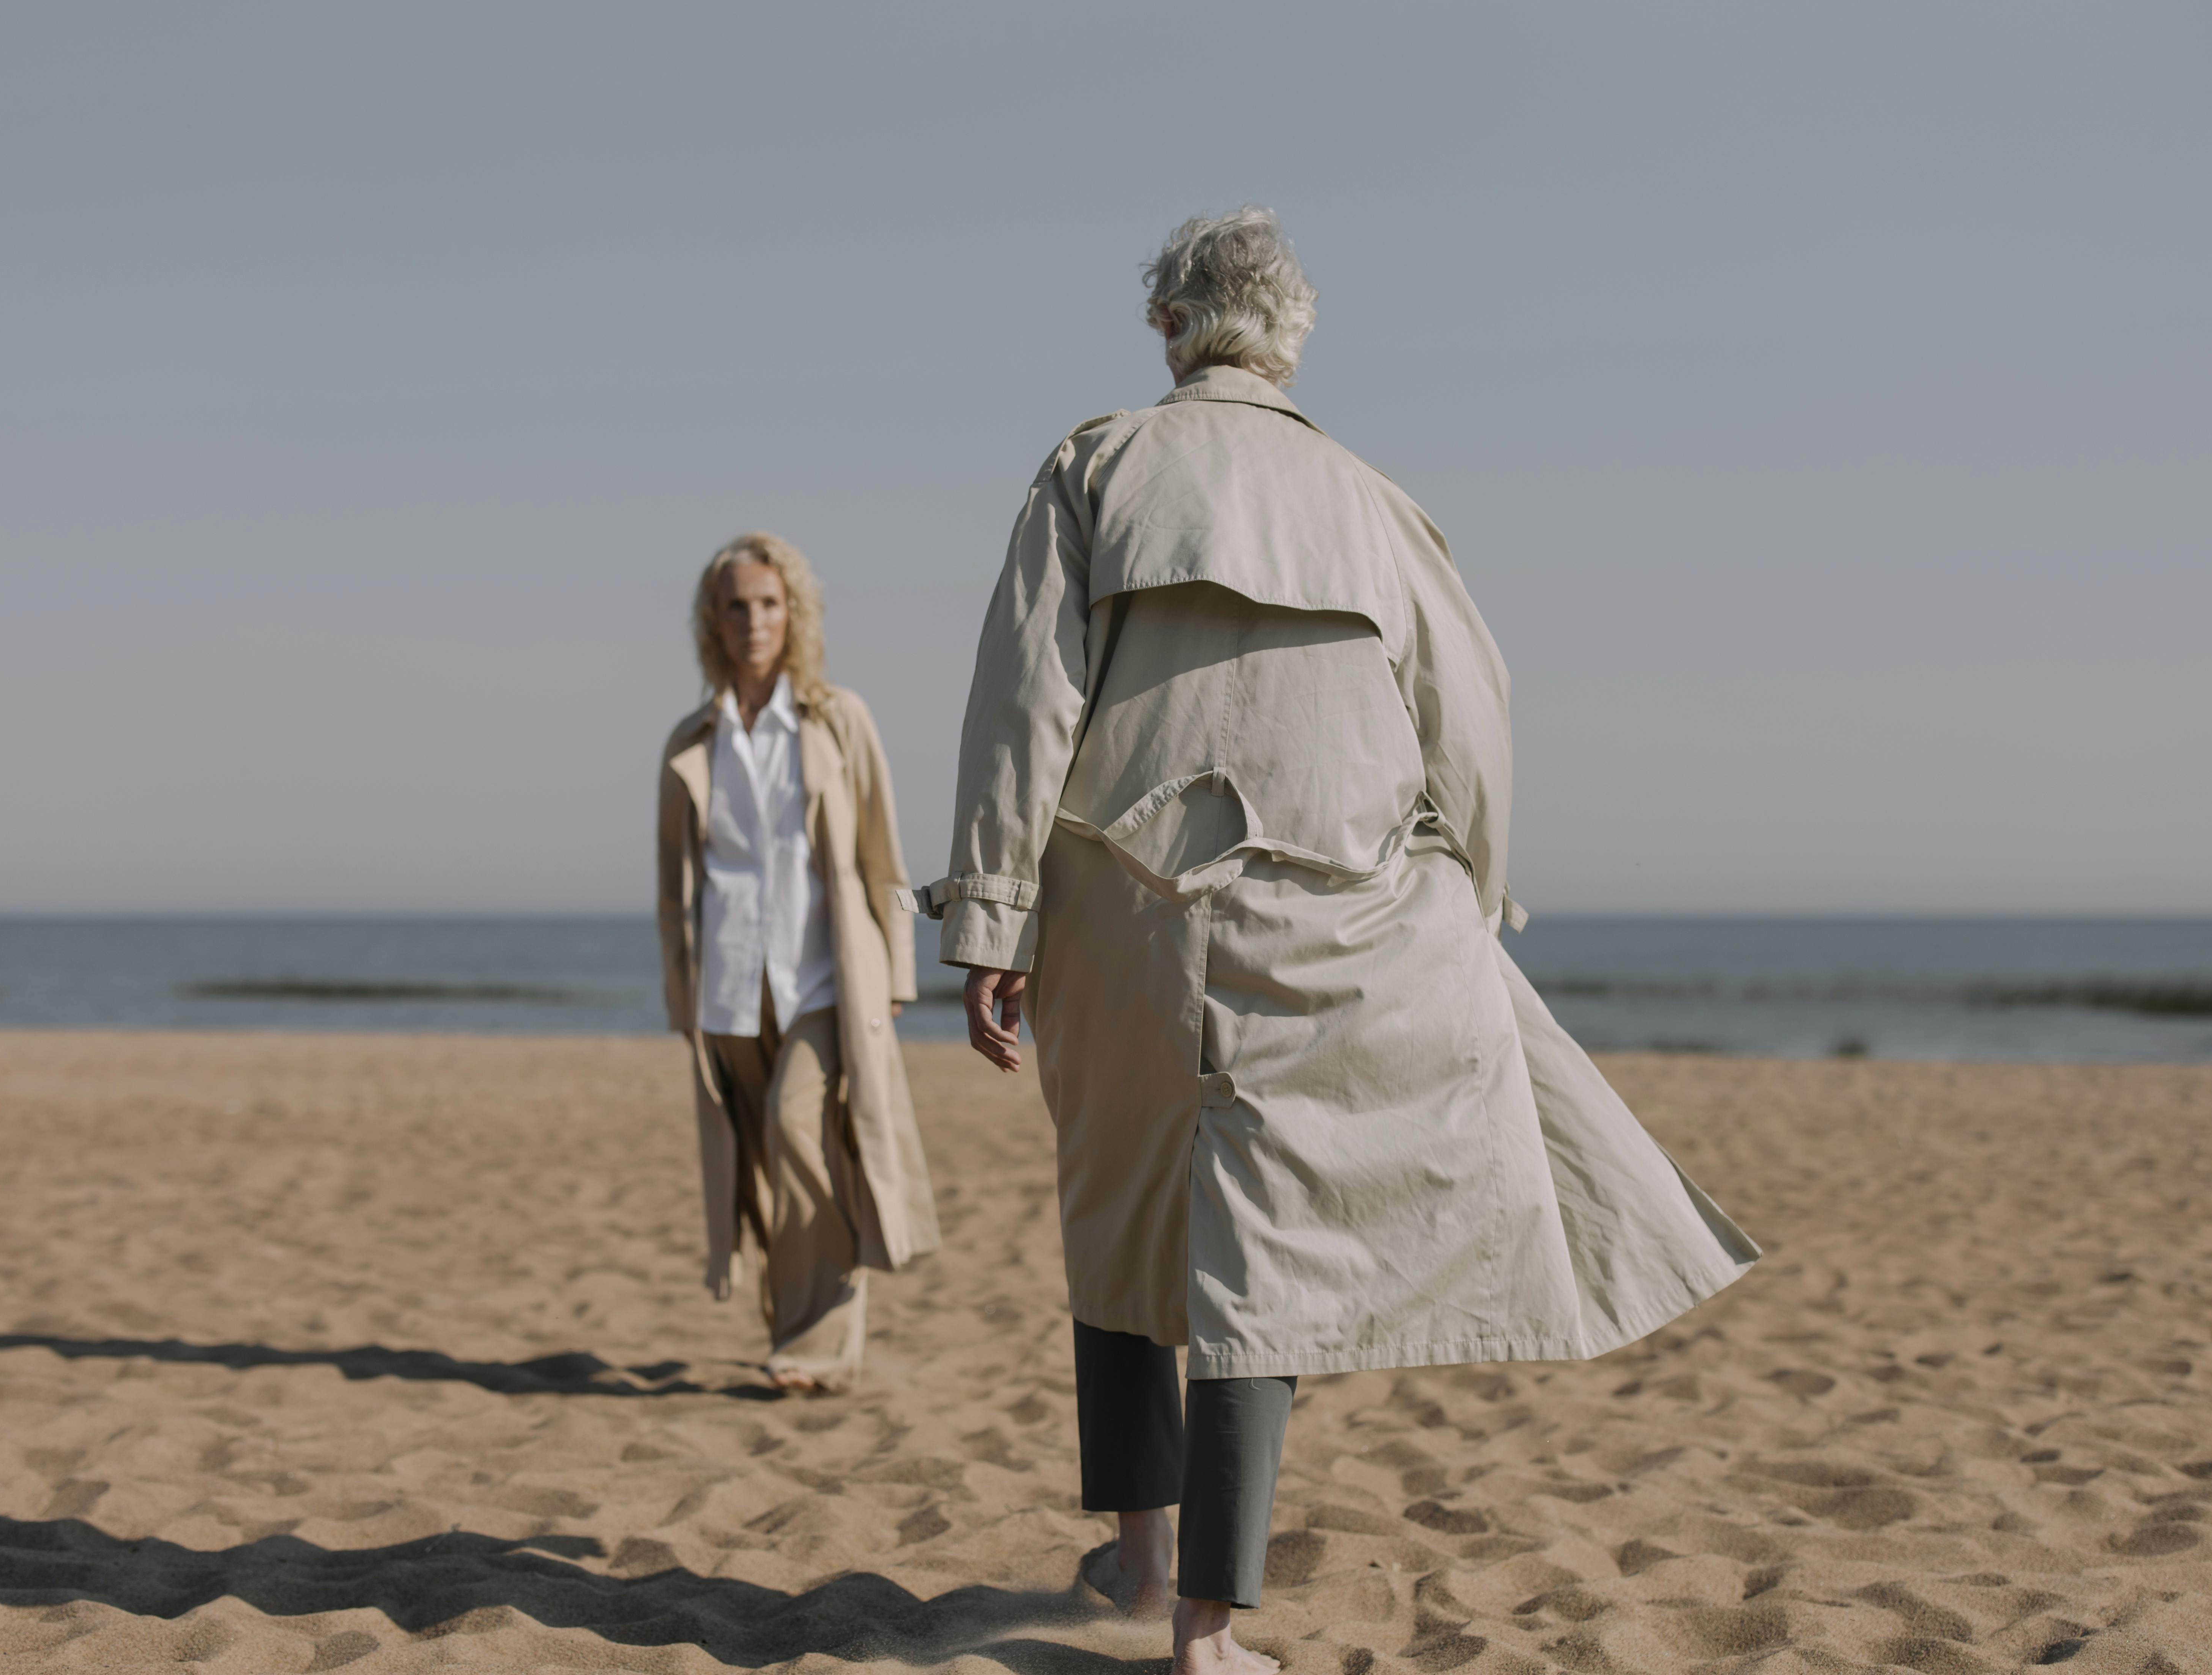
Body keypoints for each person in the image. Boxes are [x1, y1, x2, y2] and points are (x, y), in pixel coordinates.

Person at [908, 209, 1760, 1672]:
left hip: (1117, 901)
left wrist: (992, 917)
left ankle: (1134, 1555)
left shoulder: (1095, 463)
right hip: (1336, 908)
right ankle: (1207, 1629)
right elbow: (1472, 726)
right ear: (1291, 339)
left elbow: (1021, 706)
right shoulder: (1374, 500)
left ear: (1172, 328)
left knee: (1117, 1221)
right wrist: (1468, 907)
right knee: (1273, 1254)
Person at [658, 531, 938, 1394]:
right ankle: (795, 1333)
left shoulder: (836, 719)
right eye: (738, 606)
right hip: (731, 989)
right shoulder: (691, 741)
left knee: (798, 1133)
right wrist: (682, 1003)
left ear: (795, 614)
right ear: (714, 620)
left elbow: (884, 858)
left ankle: (819, 1344)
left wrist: (895, 977)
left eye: (770, 604)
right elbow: (675, 889)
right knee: (761, 1166)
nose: (754, 621)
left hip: (825, 980)